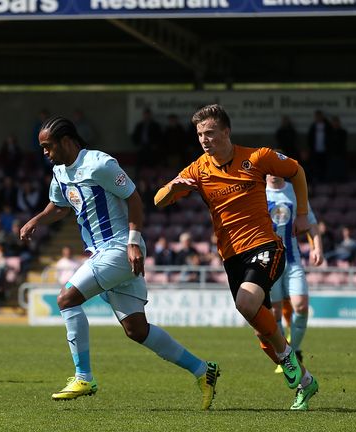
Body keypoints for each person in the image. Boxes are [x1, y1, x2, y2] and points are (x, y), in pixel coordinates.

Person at [20, 115, 219, 410]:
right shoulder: (60, 172)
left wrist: (133, 242)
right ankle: (204, 371)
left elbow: (134, 199)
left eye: (48, 146)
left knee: (66, 298)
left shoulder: (99, 164)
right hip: (102, 253)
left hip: (119, 248)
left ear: (66, 141)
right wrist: (36, 220)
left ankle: (83, 376)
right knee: (136, 330)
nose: (45, 153)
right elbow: (60, 206)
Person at [154, 104, 318, 410]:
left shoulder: (257, 158)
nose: (204, 139)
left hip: (266, 246)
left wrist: (304, 215)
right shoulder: (198, 169)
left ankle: (288, 358)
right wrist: (173, 188)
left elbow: (297, 172)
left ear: (226, 132)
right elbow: (158, 201)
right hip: (232, 258)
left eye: (210, 132)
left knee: (245, 303)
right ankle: (305, 382)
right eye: (200, 134)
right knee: (261, 332)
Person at [266, 174, 323, 374]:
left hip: (292, 259)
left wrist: (317, 248)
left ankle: (295, 350)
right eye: (269, 169)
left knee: (301, 305)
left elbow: (311, 222)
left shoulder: (295, 191)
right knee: (274, 312)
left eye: (276, 169)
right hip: (269, 261)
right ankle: (285, 355)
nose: (272, 173)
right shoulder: (258, 191)